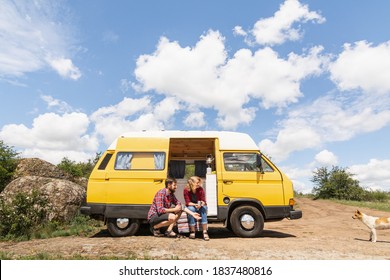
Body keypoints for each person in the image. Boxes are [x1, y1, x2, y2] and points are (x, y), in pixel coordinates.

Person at [183, 176, 209, 241]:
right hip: (192, 205)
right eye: (197, 183)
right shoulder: (186, 190)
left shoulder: (200, 189)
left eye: (199, 183)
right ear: (192, 183)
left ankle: (204, 232)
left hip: (199, 205)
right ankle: (192, 231)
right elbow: (188, 202)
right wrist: (195, 204)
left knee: (204, 208)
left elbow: (203, 200)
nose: (198, 184)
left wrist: (201, 204)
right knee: (191, 209)